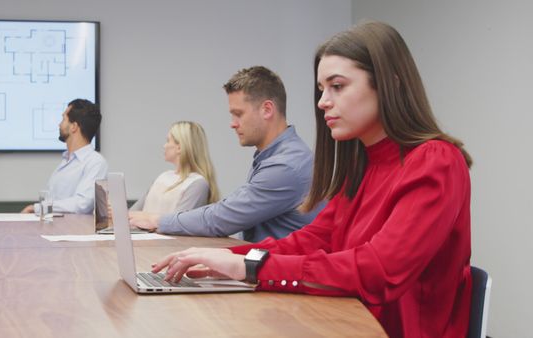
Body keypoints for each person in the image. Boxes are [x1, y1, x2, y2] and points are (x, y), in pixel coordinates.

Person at [151, 21, 473, 338]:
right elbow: (312, 240)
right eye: (322, 90)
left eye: (338, 86)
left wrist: (250, 269)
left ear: (390, 83)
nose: (322, 103)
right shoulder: (364, 165)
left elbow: (378, 271)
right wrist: (229, 259)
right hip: (344, 323)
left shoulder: (436, 161)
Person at [129, 66, 322, 242]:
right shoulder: (273, 156)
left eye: (238, 114)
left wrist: (157, 220)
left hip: (279, 275)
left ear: (267, 109)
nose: (233, 123)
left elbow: (223, 218)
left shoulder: (286, 165)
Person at [21, 99, 107, 214]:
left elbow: (82, 204)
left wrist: (37, 208)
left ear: (74, 127)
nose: (59, 124)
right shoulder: (67, 160)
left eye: (63, 119)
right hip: (56, 228)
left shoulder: (95, 162)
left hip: (74, 230)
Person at [129, 121, 220, 213]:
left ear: (180, 147)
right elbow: (131, 214)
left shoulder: (197, 183)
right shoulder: (163, 177)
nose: (164, 146)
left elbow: (176, 223)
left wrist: (141, 219)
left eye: (168, 141)